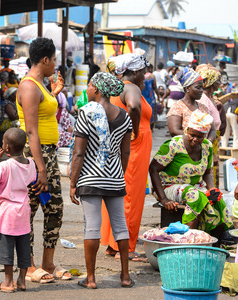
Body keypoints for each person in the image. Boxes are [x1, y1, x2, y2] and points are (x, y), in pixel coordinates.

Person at [70, 72, 134, 289]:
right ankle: (125, 276)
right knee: (120, 225)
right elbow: (126, 152)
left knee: (92, 228)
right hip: (115, 177)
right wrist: (118, 174)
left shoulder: (86, 112)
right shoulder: (124, 116)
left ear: (96, 90)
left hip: (90, 178)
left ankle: (90, 279)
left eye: (89, 85)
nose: (87, 89)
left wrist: (72, 183)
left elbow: (79, 154)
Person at [16, 37, 72, 283]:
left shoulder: (40, 85)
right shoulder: (29, 86)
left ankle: (47, 263)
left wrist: (53, 93)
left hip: (47, 154)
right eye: (55, 60)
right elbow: (31, 131)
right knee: (29, 209)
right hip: (34, 155)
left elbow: (43, 113)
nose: (56, 65)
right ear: (46, 59)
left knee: (54, 209)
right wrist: (40, 168)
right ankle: (27, 267)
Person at [149, 110, 234, 241]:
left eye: (200, 137)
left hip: (194, 186)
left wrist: (212, 189)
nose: (195, 139)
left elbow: (207, 172)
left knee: (218, 200)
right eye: (192, 135)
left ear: (205, 135)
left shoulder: (207, 146)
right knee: (195, 196)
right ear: (187, 130)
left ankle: (215, 241)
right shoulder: (174, 145)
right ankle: (187, 239)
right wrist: (163, 199)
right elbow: (153, 168)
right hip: (168, 186)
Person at [100, 53, 152, 261]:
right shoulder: (130, 86)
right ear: (136, 71)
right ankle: (127, 247)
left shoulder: (116, 88)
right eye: (144, 72)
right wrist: (135, 129)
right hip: (134, 147)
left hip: (126, 146)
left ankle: (114, 244)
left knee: (122, 193)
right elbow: (133, 106)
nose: (145, 76)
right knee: (131, 194)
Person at [0, 128, 36, 293]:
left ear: (6, 148)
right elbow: (32, 179)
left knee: (6, 247)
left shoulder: (5, 165)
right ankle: (21, 280)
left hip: (8, 212)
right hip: (24, 211)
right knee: (23, 246)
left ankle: (7, 282)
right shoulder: (31, 163)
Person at [167, 67, 217, 143]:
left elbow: (213, 130)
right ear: (187, 88)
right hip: (185, 150)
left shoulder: (203, 107)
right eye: (198, 87)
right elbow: (174, 131)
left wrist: (207, 142)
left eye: (202, 88)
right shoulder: (177, 107)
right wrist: (196, 139)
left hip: (202, 150)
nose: (201, 91)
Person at [196, 64, 222, 187]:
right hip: (208, 142)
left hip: (214, 141)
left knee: (214, 174)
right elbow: (204, 126)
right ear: (211, 81)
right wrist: (209, 148)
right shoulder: (204, 100)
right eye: (217, 81)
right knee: (208, 175)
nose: (220, 84)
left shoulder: (210, 98)